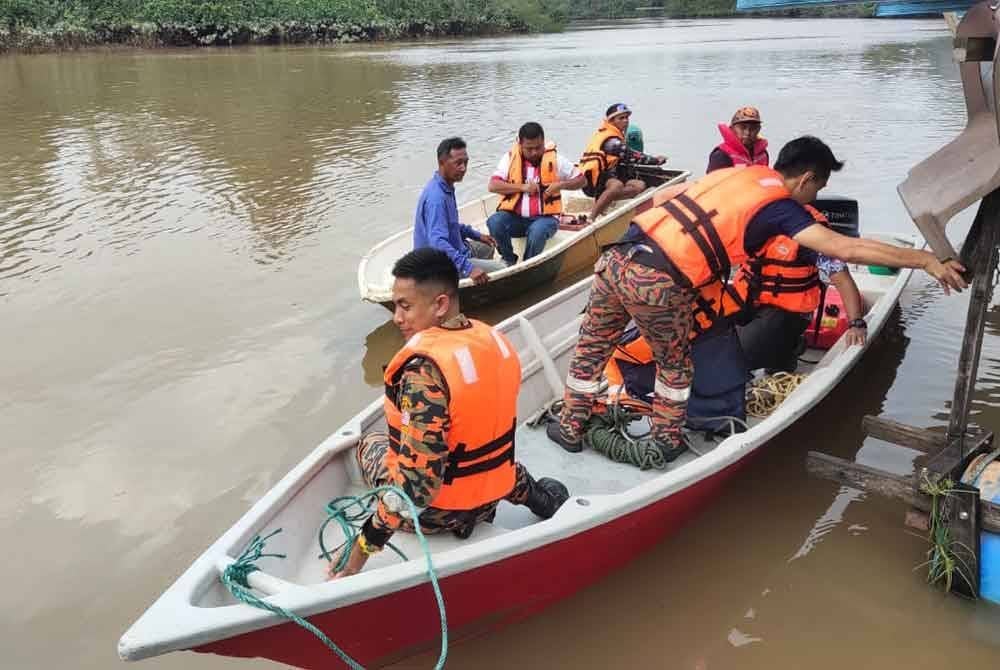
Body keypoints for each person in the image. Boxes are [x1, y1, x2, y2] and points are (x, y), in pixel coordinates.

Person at [546, 136, 966, 460]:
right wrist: (926, 260)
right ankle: (666, 439)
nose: (814, 196)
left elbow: (660, 200)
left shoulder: (734, 176)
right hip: (657, 280)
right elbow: (846, 249)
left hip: (616, 257)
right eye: (818, 187)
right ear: (807, 179)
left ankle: (569, 427)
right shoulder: (780, 207)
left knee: (590, 351)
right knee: (675, 368)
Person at [328, 248, 570, 579]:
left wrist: (360, 551)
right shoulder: (495, 340)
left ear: (440, 304)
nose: (397, 318)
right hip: (495, 492)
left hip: (439, 514)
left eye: (405, 306)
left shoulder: (423, 373)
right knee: (483, 449)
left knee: (370, 443)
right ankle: (541, 498)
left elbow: (416, 489)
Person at [736, 204, 867, 373]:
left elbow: (842, 279)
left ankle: (788, 347)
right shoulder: (752, 216)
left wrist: (856, 323)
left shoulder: (812, 236)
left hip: (786, 313)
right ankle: (782, 353)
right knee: (713, 343)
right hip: (746, 301)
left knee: (736, 357)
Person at [486, 122, 586, 266]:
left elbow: (582, 180)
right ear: (520, 144)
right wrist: (522, 187)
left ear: (543, 142)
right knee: (494, 222)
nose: (534, 152)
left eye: (538, 147)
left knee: (537, 231)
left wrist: (561, 185)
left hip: (546, 219)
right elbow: (493, 185)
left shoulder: (556, 160)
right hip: (516, 219)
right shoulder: (509, 159)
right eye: (529, 149)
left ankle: (527, 265)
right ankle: (508, 259)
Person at [414, 137, 504, 286]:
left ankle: (479, 283)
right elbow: (438, 242)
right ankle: (477, 282)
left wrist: (477, 235)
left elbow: (452, 225)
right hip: (438, 265)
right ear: (442, 163)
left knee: (487, 247)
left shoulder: (446, 187)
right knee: (502, 269)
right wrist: (469, 268)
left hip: (454, 250)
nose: (463, 168)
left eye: (465, 162)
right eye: (458, 163)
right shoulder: (437, 198)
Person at [579, 103, 667, 221]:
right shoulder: (611, 141)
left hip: (606, 175)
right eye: (621, 118)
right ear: (611, 121)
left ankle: (606, 200)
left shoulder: (615, 134)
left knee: (639, 185)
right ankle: (591, 218)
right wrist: (655, 160)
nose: (625, 121)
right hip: (591, 180)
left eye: (626, 118)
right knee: (617, 185)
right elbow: (630, 155)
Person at [707, 106, 770, 173]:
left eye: (753, 128)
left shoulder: (763, 154)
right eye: (742, 127)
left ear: (758, 129)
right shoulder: (721, 155)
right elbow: (714, 179)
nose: (747, 132)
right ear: (732, 129)